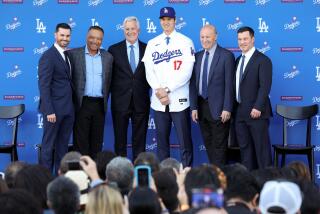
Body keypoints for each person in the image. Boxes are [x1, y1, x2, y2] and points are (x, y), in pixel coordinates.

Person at [142, 7, 195, 167]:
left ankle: (186, 171)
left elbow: (187, 72)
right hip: (159, 101)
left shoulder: (186, 41)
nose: (166, 22)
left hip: (179, 100)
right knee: (162, 143)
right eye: (163, 19)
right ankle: (164, 176)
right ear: (160, 21)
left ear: (175, 20)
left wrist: (167, 89)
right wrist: (159, 90)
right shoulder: (152, 43)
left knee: (184, 142)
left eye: (169, 19)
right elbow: (149, 71)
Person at [190, 24, 235, 166]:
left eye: (208, 37)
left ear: (215, 37)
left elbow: (230, 85)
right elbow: (193, 84)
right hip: (202, 109)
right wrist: (194, 107)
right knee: (209, 145)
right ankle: (215, 177)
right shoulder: (197, 56)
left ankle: (220, 180)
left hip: (220, 110)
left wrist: (227, 108)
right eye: (202, 37)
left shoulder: (226, 55)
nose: (204, 40)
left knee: (219, 147)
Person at [68, 26, 113, 159]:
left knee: (97, 143)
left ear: (102, 40)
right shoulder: (73, 54)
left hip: (100, 105)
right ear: (87, 37)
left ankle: (95, 175)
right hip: (81, 104)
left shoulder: (108, 57)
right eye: (92, 37)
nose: (95, 41)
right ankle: (82, 176)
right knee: (81, 143)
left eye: (99, 39)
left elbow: (109, 82)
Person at [108, 16, 150, 161]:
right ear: (123, 30)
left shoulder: (148, 48)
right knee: (120, 141)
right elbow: (108, 77)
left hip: (141, 101)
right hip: (120, 103)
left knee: (140, 141)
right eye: (127, 29)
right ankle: (120, 173)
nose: (130, 31)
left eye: (133, 28)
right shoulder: (113, 50)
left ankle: (139, 171)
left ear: (138, 30)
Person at [234, 26, 273, 170]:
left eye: (245, 39)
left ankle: (267, 185)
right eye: (239, 39)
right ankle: (249, 186)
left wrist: (257, 107)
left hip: (257, 113)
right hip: (240, 114)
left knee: (262, 152)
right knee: (245, 152)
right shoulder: (238, 60)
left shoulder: (263, 60)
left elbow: (265, 86)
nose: (242, 42)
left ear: (252, 39)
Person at [38, 23, 74, 174]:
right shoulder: (48, 56)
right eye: (62, 35)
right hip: (53, 111)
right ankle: (44, 181)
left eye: (67, 36)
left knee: (63, 148)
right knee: (48, 147)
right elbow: (44, 85)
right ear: (55, 35)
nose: (65, 38)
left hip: (68, 109)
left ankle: (61, 181)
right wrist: (49, 110)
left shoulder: (68, 55)